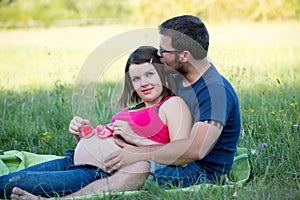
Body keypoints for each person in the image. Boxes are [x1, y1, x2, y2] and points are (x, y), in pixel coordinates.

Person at [9, 14, 241, 199]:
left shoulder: (215, 92)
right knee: (11, 181)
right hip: (111, 158)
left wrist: (131, 152)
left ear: (185, 56)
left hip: (199, 172)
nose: (158, 55)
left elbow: (193, 151)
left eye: (164, 51)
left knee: (140, 167)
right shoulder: (178, 80)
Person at [0, 46, 193, 199]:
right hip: (72, 160)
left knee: (12, 184)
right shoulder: (131, 110)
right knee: (6, 180)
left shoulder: (172, 105)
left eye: (150, 74)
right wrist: (81, 136)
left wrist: (134, 137)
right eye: (136, 78)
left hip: (96, 173)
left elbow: (181, 154)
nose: (143, 83)